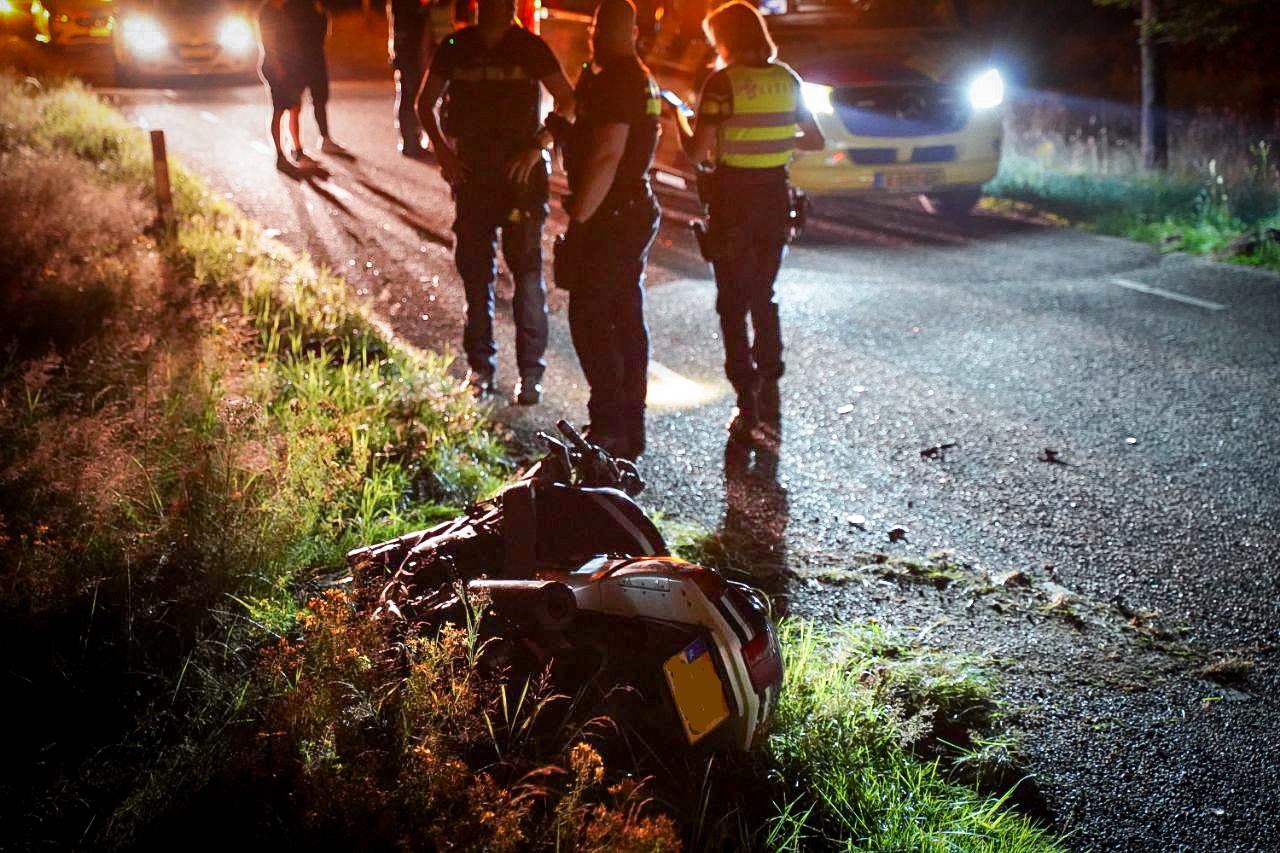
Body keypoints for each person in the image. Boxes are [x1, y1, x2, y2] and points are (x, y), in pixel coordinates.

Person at [416, 0, 574, 404]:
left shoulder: (531, 47)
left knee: (526, 278)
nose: (495, 10)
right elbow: (424, 104)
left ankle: (529, 375)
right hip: (473, 178)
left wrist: (539, 145)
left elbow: (567, 100)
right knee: (476, 276)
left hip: (520, 180)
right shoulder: (456, 45)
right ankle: (481, 369)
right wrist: (444, 154)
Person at [681, 0, 823, 439]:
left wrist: (678, 123)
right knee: (763, 293)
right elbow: (816, 139)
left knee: (732, 301)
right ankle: (771, 384)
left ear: (726, 40)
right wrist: (778, 143)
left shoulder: (722, 84)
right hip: (775, 200)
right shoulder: (788, 79)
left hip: (732, 203)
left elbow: (697, 151)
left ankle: (747, 398)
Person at [556, 0, 663, 459]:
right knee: (622, 317)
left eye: (601, 26)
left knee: (593, 318)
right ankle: (624, 427)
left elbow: (607, 156)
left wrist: (579, 221)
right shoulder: (627, 75)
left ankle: (609, 426)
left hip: (612, 214)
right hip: (629, 208)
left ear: (626, 31)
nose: (594, 34)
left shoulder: (620, 77)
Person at [259, 0, 340, 170]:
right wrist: (278, 67)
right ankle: (280, 155)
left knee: (295, 108)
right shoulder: (267, 11)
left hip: (290, 66)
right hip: (278, 67)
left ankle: (297, 149)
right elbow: (268, 43)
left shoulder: (282, 10)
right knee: (279, 110)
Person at [296, 0, 346, 156]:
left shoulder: (319, 8)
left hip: (316, 58)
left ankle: (324, 138)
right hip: (299, 59)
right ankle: (294, 144)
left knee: (320, 98)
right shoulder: (294, 7)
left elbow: (323, 34)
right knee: (292, 103)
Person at [388, 0, 431, 157]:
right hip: (408, 49)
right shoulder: (406, 6)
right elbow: (411, 18)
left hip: (407, 47)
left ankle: (411, 140)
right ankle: (409, 141)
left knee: (409, 93)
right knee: (409, 94)